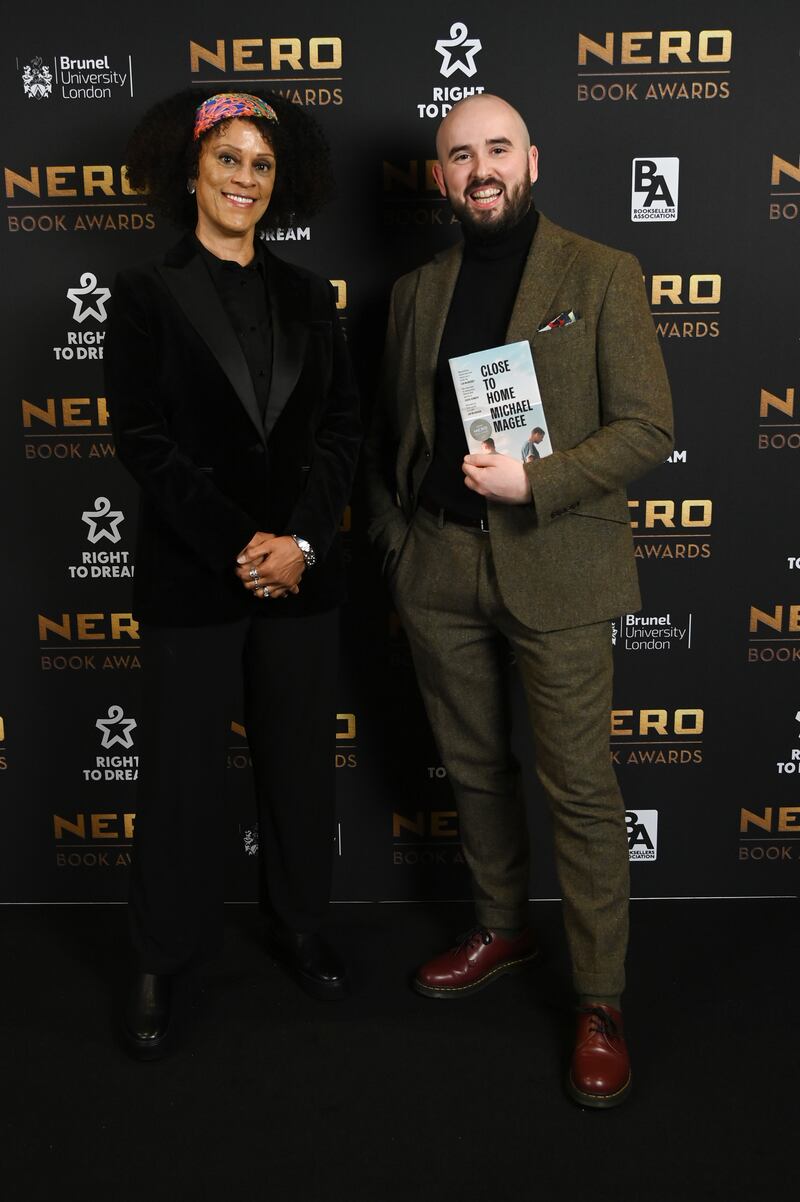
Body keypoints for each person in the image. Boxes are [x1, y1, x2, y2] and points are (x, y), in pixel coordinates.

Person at [364, 94, 672, 1108]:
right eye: (459, 154)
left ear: (529, 159)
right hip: (440, 569)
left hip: (556, 564)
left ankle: (598, 997)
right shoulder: (416, 288)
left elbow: (642, 429)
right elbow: (384, 438)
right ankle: (501, 923)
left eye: (496, 148)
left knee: (578, 787)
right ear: (441, 176)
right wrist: (400, 544)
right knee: (471, 766)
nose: (478, 167)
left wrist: (533, 484)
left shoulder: (599, 272)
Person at [105, 89, 360, 1059]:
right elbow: (143, 440)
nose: (244, 178)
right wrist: (235, 545)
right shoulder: (143, 294)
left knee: (297, 763)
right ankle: (159, 954)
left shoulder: (308, 295)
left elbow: (340, 430)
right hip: (190, 574)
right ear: (190, 169)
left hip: (300, 574)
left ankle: (300, 920)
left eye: (260, 164)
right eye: (227, 160)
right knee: (177, 779)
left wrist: (297, 542)